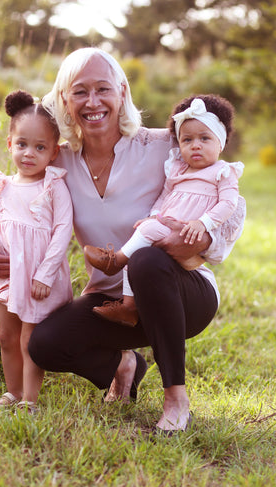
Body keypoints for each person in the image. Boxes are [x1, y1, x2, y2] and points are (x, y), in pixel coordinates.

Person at [0, 48, 245, 435]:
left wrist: (204, 238)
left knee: (145, 261)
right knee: (45, 344)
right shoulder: (57, 162)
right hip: (108, 300)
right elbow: (19, 208)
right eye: (80, 91)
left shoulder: (162, 147)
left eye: (103, 89)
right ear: (64, 101)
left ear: (121, 92)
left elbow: (230, 195)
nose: (93, 102)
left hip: (180, 292)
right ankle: (125, 366)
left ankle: (176, 398)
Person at [84, 95, 244, 328]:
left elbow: (229, 204)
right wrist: (153, 215)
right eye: (187, 140)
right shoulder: (178, 169)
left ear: (220, 143)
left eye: (204, 138)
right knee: (140, 244)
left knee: (143, 238)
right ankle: (129, 307)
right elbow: (164, 196)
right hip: (167, 223)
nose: (195, 145)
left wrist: (203, 223)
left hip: (188, 232)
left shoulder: (223, 172)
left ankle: (116, 260)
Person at [0, 90, 73, 413]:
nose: (29, 153)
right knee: (6, 336)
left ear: (54, 152)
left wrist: (45, 274)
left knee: (29, 340)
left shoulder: (53, 186)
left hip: (37, 280)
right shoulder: (2, 186)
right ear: (9, 144)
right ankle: (11, 393)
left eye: (40, 147)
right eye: (23, 144)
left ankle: (29, 401)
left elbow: (62, 232)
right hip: (6, 277)